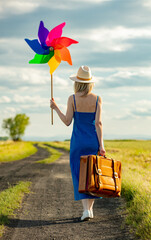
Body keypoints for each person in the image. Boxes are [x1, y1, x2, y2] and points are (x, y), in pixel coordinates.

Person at [50, 65, 106, 221]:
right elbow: (98, 124)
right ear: (90, 83)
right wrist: (101, 145)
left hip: (77, 143)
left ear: (77, 82)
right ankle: (90, 210)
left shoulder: (72, 99)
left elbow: (67, 121)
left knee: (79, 175)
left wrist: (55, 108)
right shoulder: (97, 99)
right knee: (93, 175)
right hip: (92, 142)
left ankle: (85, 210)